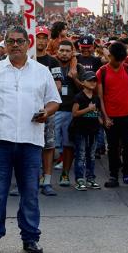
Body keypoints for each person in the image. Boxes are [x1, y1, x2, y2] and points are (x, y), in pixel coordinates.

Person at [0, 26, 61, 253]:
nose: (15, 45)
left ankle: (30, 238)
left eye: (20, 41)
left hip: (30, 142)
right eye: (11, 41)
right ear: (5, 44)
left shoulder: (41, 71)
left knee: (30, 193)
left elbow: (54, 100)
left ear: (27, 44)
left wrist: (46, 112)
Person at [97, 41, 128, 190]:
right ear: (109, 56)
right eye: (116, 60)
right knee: (113, 147)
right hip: (111, 116)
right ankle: (113, 176)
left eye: (121, 60)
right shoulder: (102, 71)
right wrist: (105, 117)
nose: (119, 63)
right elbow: (101, 97)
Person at [35, 26, 63, 196]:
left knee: (48, 146)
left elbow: (58, 86)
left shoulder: (53, 62)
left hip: (47, 109)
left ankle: (46, 181)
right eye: (38, 37)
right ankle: (27, 181)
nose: (42, 41)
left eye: (45, 38)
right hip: (26, 110)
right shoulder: (27, 59)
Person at [54, 40, 85, 187]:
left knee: (68, 145)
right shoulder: (51, 65)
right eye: (62, 50)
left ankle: (65, 174)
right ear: (57, 52)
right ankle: (43, 175)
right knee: (48, 145)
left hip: (69, 111)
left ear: (72, 52)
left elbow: (85, 90)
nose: (64, 53)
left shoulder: (78, 67)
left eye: (67, 51)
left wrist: (75, 77)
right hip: (52, 111)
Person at [71, 71, 102, 191]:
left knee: (92, 155)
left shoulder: (95, 98)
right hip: (81, 130)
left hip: (94, 130)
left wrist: (101, 120)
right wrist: (88, 109)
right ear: (83, 82)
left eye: (94, 80)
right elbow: (74, 113)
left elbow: (97, 112)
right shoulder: (79, 97)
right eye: (89, 80)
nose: (93, 82)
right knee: (81, 155)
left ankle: (90, 178)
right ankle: (79, 179)